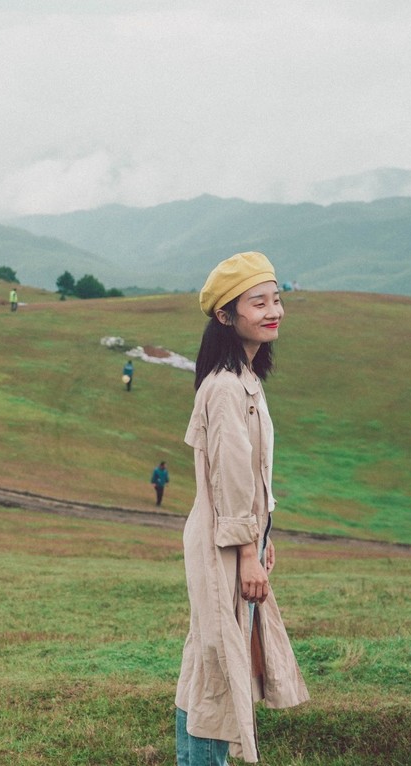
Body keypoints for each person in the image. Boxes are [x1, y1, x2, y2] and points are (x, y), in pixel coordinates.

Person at [175, 251, 308, 764]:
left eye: (276, 299)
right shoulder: (227, 388)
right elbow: (230, 479)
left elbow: (251, 475)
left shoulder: (243, 380)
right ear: (226, 316)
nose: (273, 311)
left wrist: (262, 537)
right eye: (259, 303)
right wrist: (248, 552)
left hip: (232, 537)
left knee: (209, 658)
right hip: (223, 543)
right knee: (220, 668)